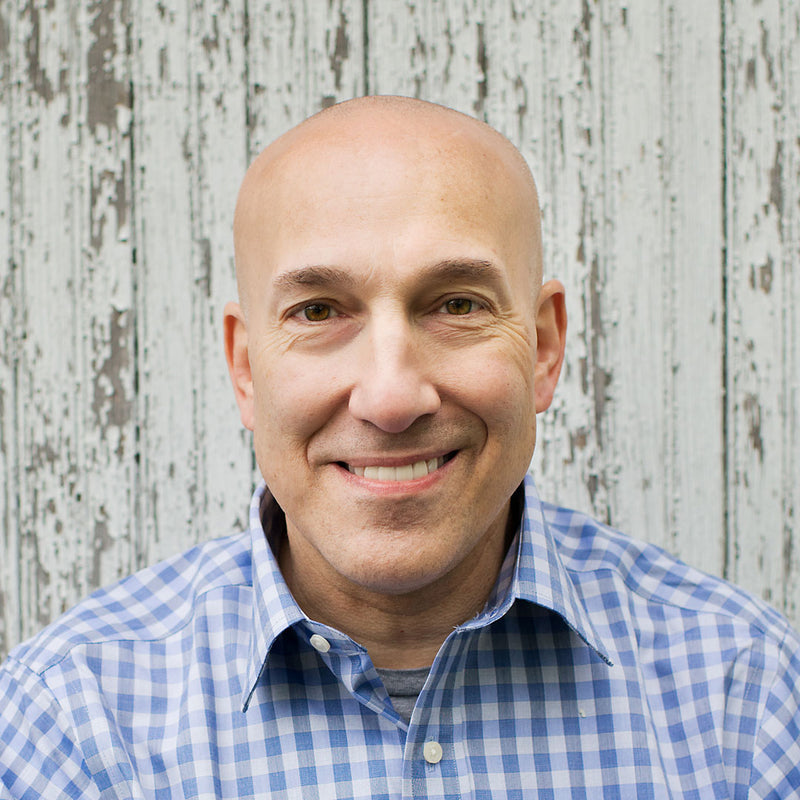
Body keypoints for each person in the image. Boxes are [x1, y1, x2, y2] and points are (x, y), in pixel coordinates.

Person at [1, 96, 798, 799]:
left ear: (544, 348)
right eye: (319, 312)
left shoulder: (747, 701)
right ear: (245, 369)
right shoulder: (69, 723)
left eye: (456, 304)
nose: (389, 398)